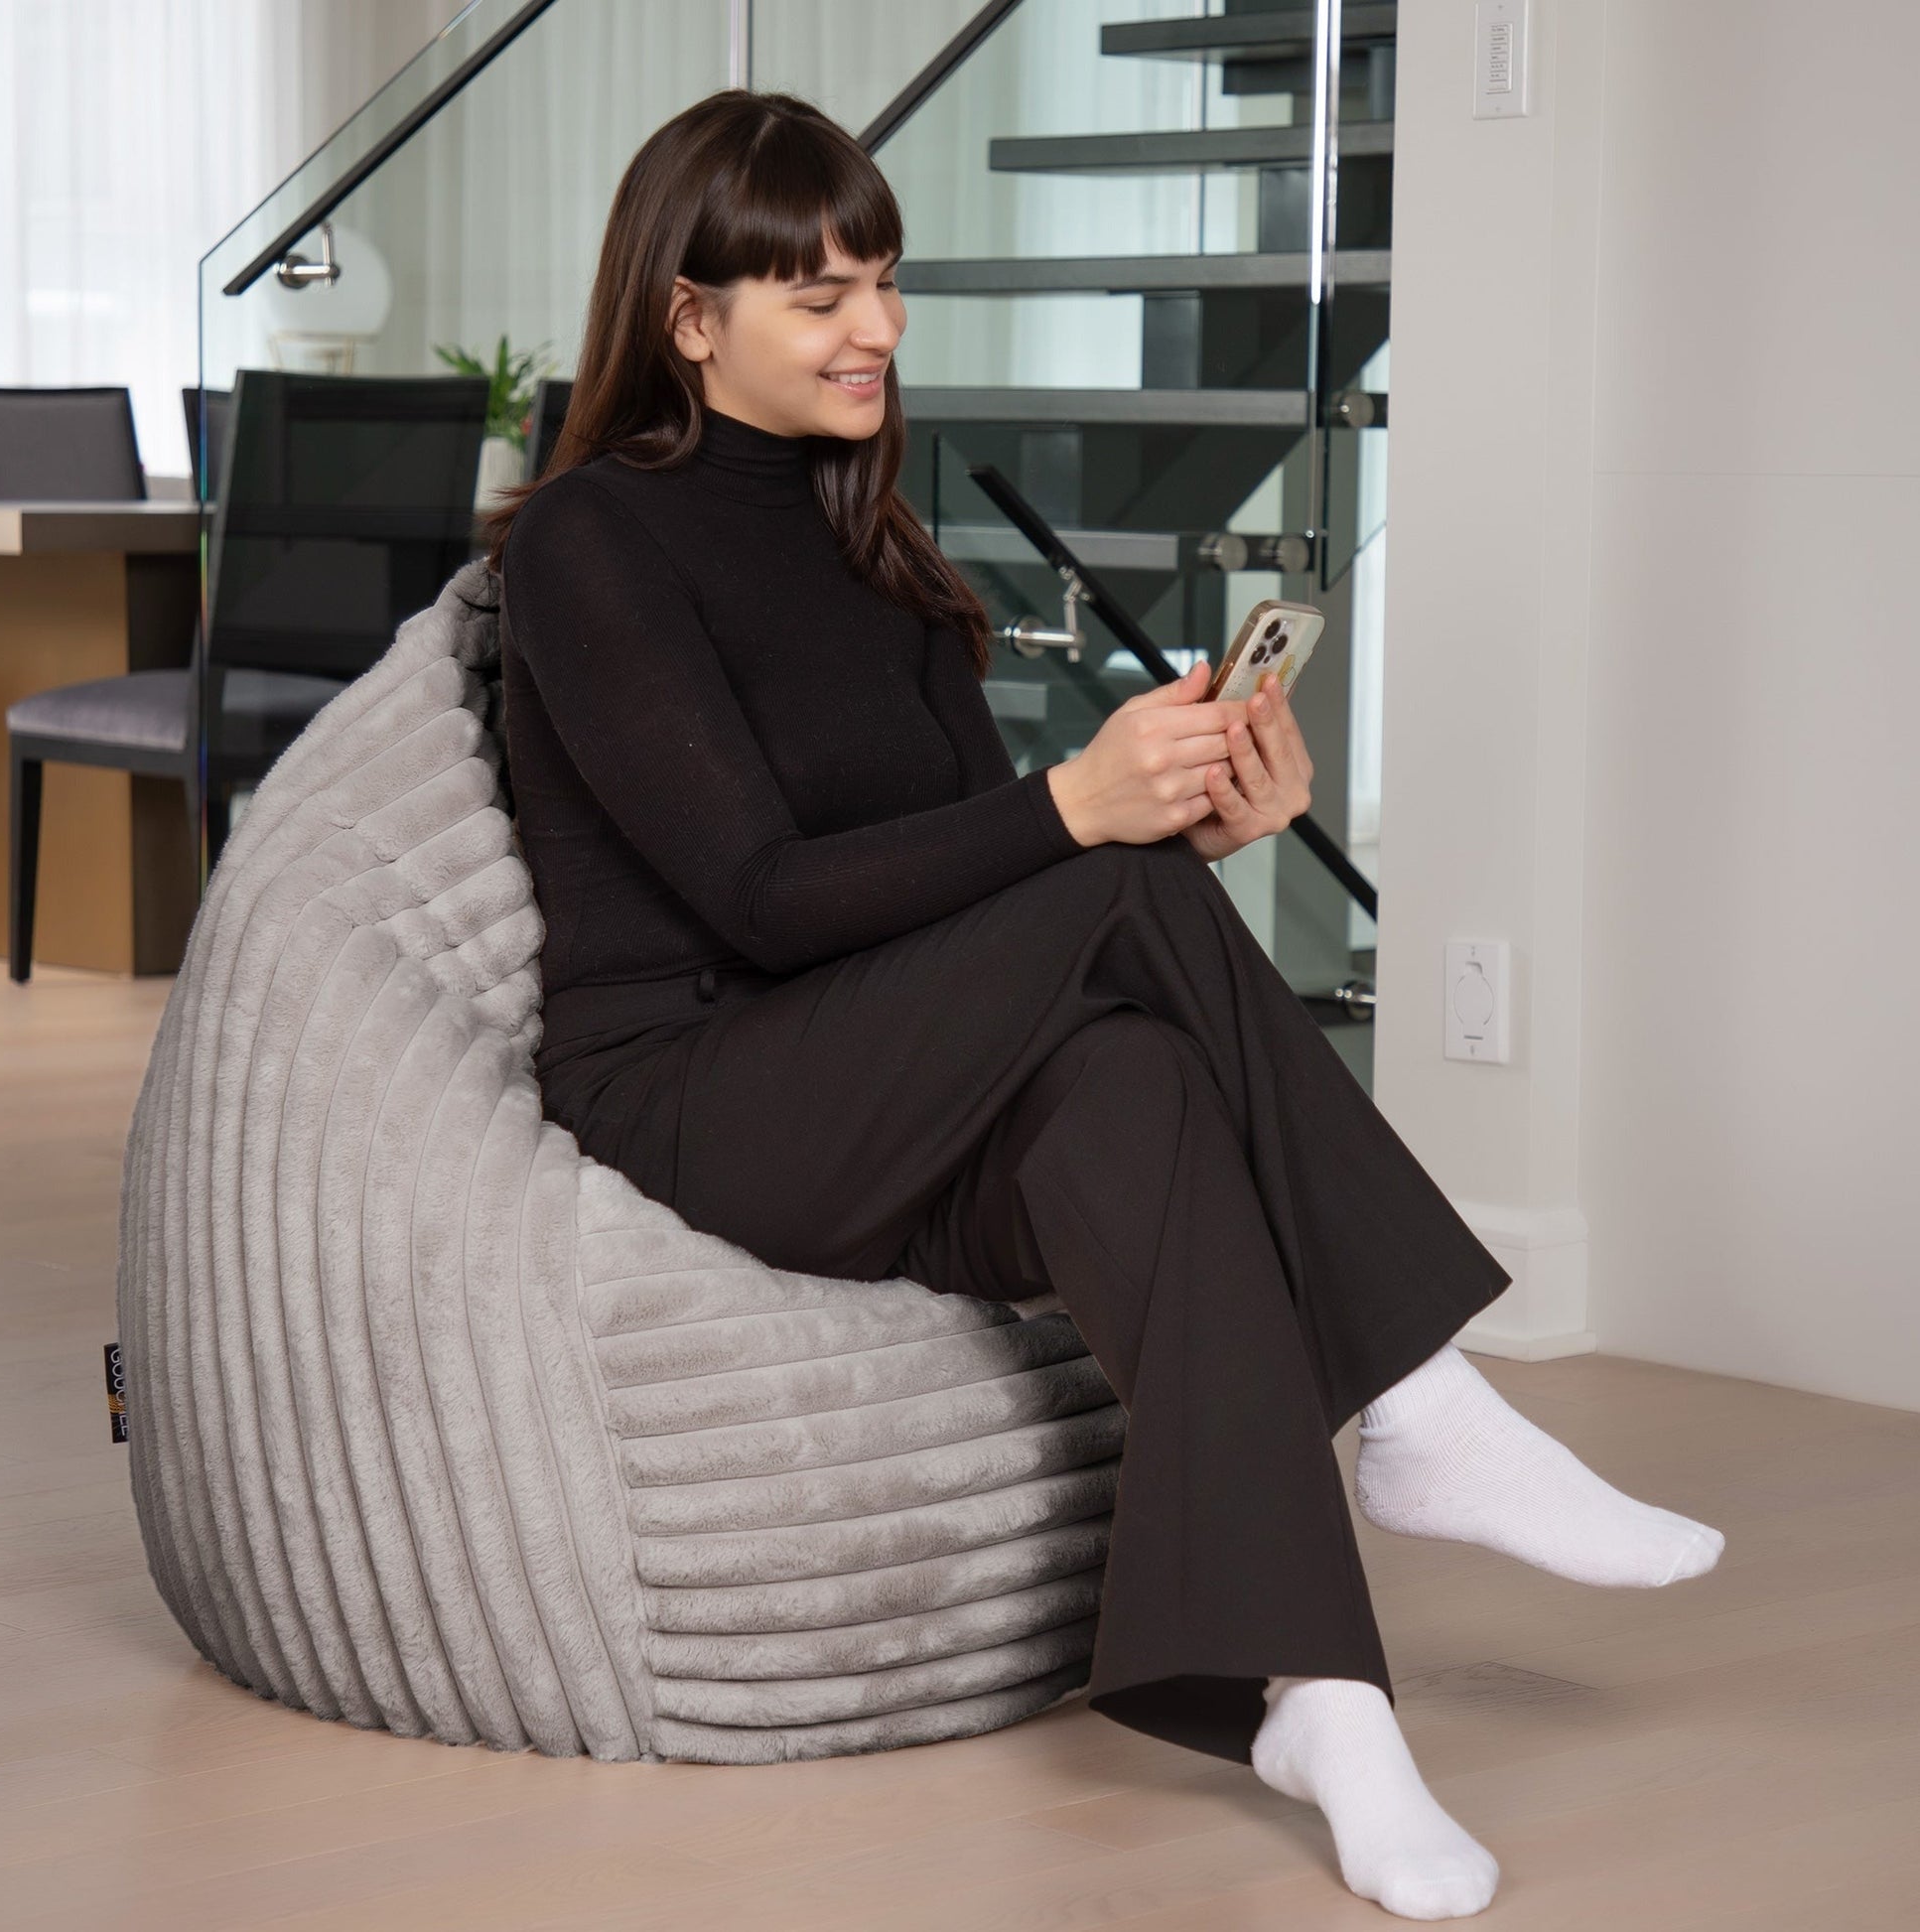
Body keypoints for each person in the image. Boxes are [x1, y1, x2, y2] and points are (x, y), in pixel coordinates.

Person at [484, 88, 1724, 1924]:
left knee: (1132, 1080)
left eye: (884, 284)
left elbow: (983, 887)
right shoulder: (589, 544)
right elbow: (755, 898)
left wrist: (1205, 821)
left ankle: (1326, 1702)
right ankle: (1415, 1393)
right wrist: (1085, 816)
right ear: (688, 318)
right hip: (699, 1081)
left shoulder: (874, 549)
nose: (875, 331)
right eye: (817, 296)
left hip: (881, 1067)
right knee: (1104, 891)